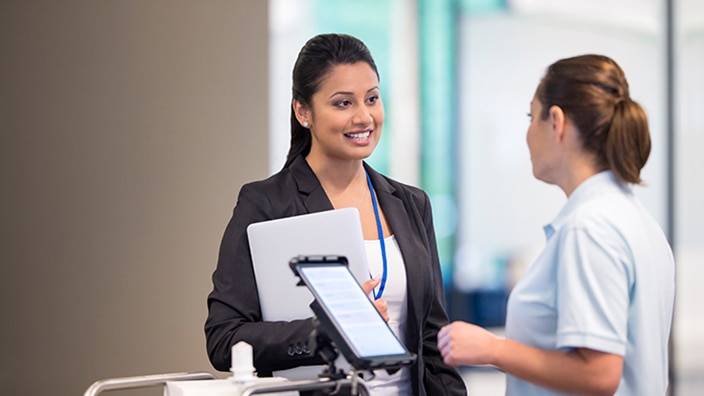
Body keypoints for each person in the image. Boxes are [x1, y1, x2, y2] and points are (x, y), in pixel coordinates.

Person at [205, 33, 466, 396]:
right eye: (343, 103)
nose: (364, 117)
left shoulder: (411, 204)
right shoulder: (266, 204)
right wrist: (322, 332)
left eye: (372, 99)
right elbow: (224, 338)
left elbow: (433, 342)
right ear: (303, 112)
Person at [438, 54, 675, 395]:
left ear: (556, 122)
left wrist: (492, 349)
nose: (528, 134)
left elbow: (599, 374)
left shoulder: (589, 228)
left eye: (530, 117)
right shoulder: (635, 219)